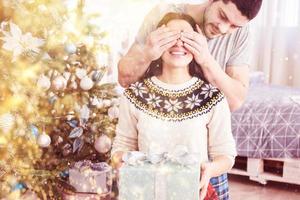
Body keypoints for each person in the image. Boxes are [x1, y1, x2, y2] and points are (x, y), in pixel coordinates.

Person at [111, 12, 237, 200]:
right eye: (171, 37)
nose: (179, 43)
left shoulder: (213, 97)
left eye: (186, 38)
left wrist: (210, 169)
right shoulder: (134, 95)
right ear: (157, 42)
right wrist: (123, 162)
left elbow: (226, 155)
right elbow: (121, 148)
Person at [118, 0, 263, 112]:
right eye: (222, 16)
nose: (223, 29)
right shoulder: (162, 13)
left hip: (202, 134)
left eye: (234, 26)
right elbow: (124, 79)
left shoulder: (241, 33)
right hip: (153, 121)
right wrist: (147, 55)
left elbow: (235, 101)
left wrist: (206, 60)